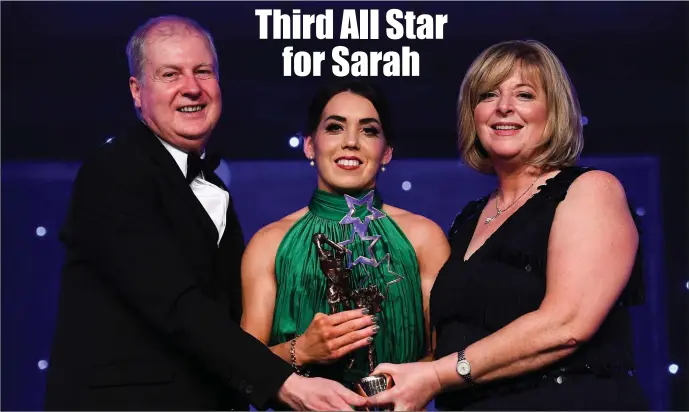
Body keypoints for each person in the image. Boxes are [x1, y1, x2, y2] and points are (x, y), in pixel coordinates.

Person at [43, 15, 367, 411]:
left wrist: (302, 350)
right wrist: (285, 383)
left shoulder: (214, 189)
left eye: (203, 71)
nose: (191, 87)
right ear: (137, 90)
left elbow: (224, 328)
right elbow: (176, 305)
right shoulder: (115, 171)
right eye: (170, 74)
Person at [366, 40, 648, 410]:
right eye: (488, 95)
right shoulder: (467, 220)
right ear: (474, 114)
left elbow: (567, 325)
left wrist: (436, 376)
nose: (504, 107)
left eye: (525, 94)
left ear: (554, 111)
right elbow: (452, 342)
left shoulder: (591, 190)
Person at [240, 79, 450, 393]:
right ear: (310, 145)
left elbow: (446, 358)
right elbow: (241, 370)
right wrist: (303, 350)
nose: (351, 141)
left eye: (368, 130)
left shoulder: (424, 239)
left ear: (387, 151)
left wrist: (381, 388)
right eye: (335, 127)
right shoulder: (268, 245)